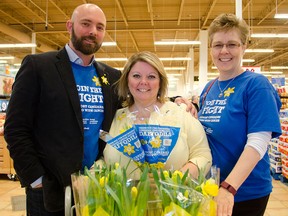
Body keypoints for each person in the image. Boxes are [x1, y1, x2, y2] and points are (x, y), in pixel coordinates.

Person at [4, 3, 122, 215]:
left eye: (100, 27)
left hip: (96, 185)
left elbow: (132, 108)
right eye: (86, 24)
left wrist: (178, 102)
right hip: (50, 190)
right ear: (69, 26)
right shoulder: (38, 66)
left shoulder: (112, 77)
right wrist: (36, 179)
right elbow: (15, 127)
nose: (93, 31)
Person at [198, 13, 282, 216]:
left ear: (244, 47)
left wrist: (229, 187)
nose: (224, 51)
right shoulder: (209, 88)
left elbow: (258, 143)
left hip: (244, 192)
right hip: (212, 188)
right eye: (218, 45)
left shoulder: (256, 85)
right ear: (211, 49)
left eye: (232, 44)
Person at [104, 51, 212, 180]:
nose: (143, 82)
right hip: (123, 199)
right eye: (136, 76)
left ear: (160, 82)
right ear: (127, 80)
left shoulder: (181, 114)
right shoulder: (113, 118)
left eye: (151, 77)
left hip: (174, 198)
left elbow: (203, 156)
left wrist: (174, 179)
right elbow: (101, 158)